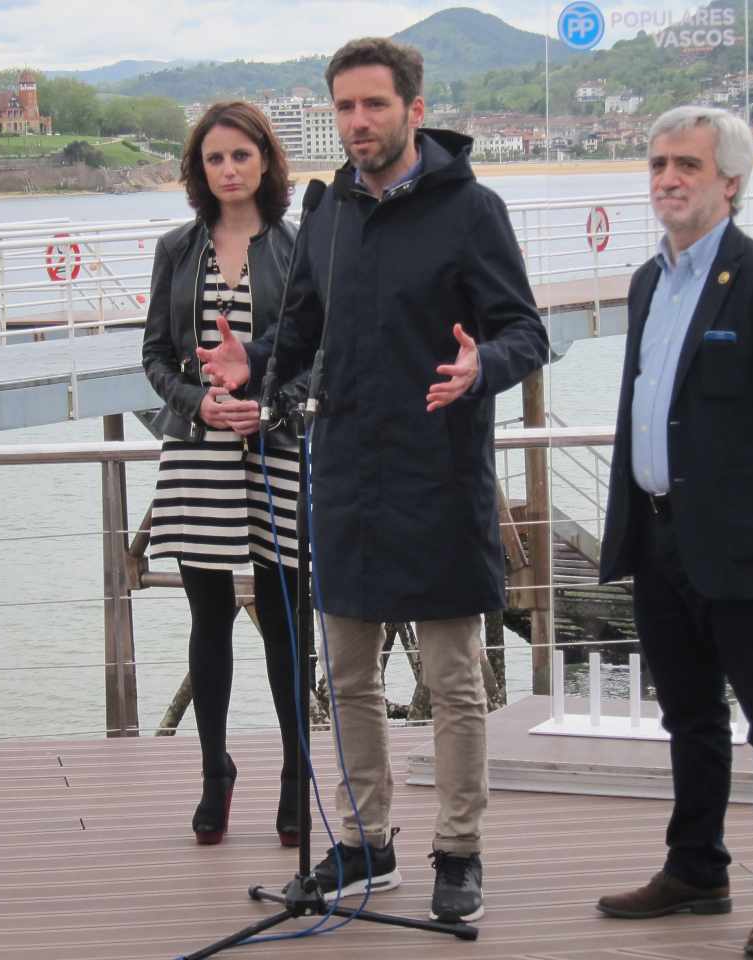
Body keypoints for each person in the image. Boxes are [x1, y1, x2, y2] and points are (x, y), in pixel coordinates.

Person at [196, 38, 547, 924]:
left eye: (374, 107)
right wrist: (254, 361)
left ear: (413, 110)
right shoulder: (329, 214)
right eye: (344, 108)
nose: (357, 123)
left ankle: (459, 850)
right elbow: (304, 335)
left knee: (452, 680)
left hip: (438, 471)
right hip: (344, 475)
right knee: (346, 678)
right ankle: (365, 842)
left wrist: (483, 369)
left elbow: (524, 331)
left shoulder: (474, 211)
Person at [593, 105, 753, 956]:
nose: (668, 178)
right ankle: (696, 868)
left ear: (729, 182)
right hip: (660, 538)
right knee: (689, 717)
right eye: (659, 163)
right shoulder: (646, 281)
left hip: (745, 541)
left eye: (687, 166)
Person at [141, 101, 305, 849]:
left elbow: (316, 356)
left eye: (242, 155)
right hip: (199, 447)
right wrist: (198, 406)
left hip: (275, 445)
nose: (229, 169)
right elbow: (152, 354)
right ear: (198, 170)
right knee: (208, 618)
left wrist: (266, 410)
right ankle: (215, 770)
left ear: (265, 161)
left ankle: (295, 776)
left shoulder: (298, 250)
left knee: (283, 620)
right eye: (215, 158)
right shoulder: (177, 249)